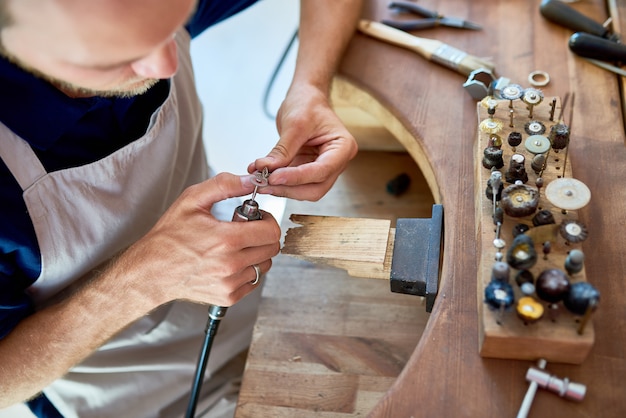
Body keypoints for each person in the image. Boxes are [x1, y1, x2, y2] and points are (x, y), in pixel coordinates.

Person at [0, 0, 362, 416]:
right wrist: (144, 280)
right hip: (129, 397)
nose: (167, 65)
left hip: (261, 304)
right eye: (122, 56)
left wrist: (310, 87)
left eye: (173, 26)